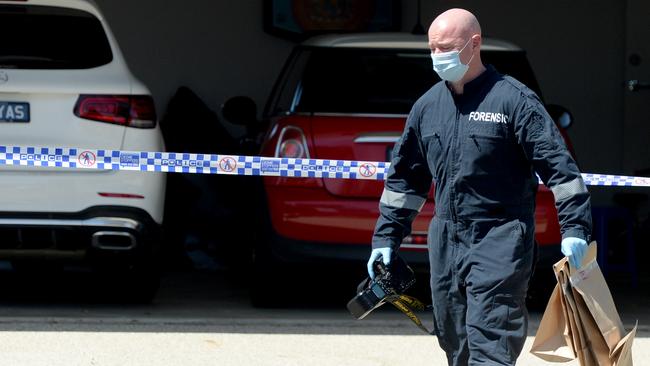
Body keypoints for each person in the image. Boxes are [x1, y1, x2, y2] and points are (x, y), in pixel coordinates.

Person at [367, 8, 592, 366]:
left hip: (500, 236)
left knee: (491, 339)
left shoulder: (514, 102)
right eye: (433, 48)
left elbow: (561, 172)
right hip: (446, 239)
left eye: (446, 48)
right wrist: (386, 237)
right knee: (454, 339)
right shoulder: (428, 107)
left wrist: (575, 228)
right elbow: (406, 179)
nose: (438, 56)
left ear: (475, 44)